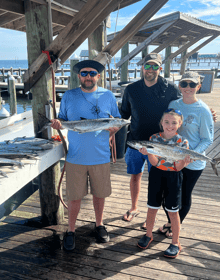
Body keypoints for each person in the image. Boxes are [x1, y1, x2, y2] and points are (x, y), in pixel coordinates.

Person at [50, 60, 121, 251]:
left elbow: (114, 122)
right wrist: (57, 123)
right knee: (74, 197)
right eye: (84, 73)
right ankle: (70, 230)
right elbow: (63, 119)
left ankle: (99, 225)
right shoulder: (69, 96)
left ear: (98, 76)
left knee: (100, 195)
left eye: (92, 73)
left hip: (101, 156)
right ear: (78, 76)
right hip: (75, 157)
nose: (88, 76)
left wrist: (113, 130)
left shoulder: (108, 95)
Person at [120, 53, 182, 222]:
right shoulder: (131, 89)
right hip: (135, 142)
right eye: (148, 65)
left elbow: (182, 110)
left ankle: (153, 216)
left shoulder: (170, 88)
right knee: (135, 175)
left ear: (160, 69)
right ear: (142, 67)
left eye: (155, 66)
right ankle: (134, 207)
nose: (151, 69)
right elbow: (122, 115)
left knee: (158, 179)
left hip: (161, 144)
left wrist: (207, 114)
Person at [158, 71, 214, 238]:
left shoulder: (203, 110)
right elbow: (167, 124)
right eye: (184, 84)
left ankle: (176, 225)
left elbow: (207, 139)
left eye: (192, 84)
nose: (187, 88)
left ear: (198, 86)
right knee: (166, 193)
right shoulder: (174, 103)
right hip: (172, 159)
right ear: (180, 86)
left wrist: (190, 156)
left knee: (184, 194)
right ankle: (171, 221)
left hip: (193, 163)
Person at [137, 109, 191, 258]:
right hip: (156, 175)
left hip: (173, 177)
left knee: (173, 212)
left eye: (174, 122)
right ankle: (148, 235)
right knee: (152, 208)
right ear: (161, 123)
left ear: (179, 124)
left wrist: (185, 163)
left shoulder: (182, 142)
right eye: (166, 122)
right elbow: (154, 163)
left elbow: (177, 167)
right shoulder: (153, 138)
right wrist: (149, 153)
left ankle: (175, 242)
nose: (170, 125)